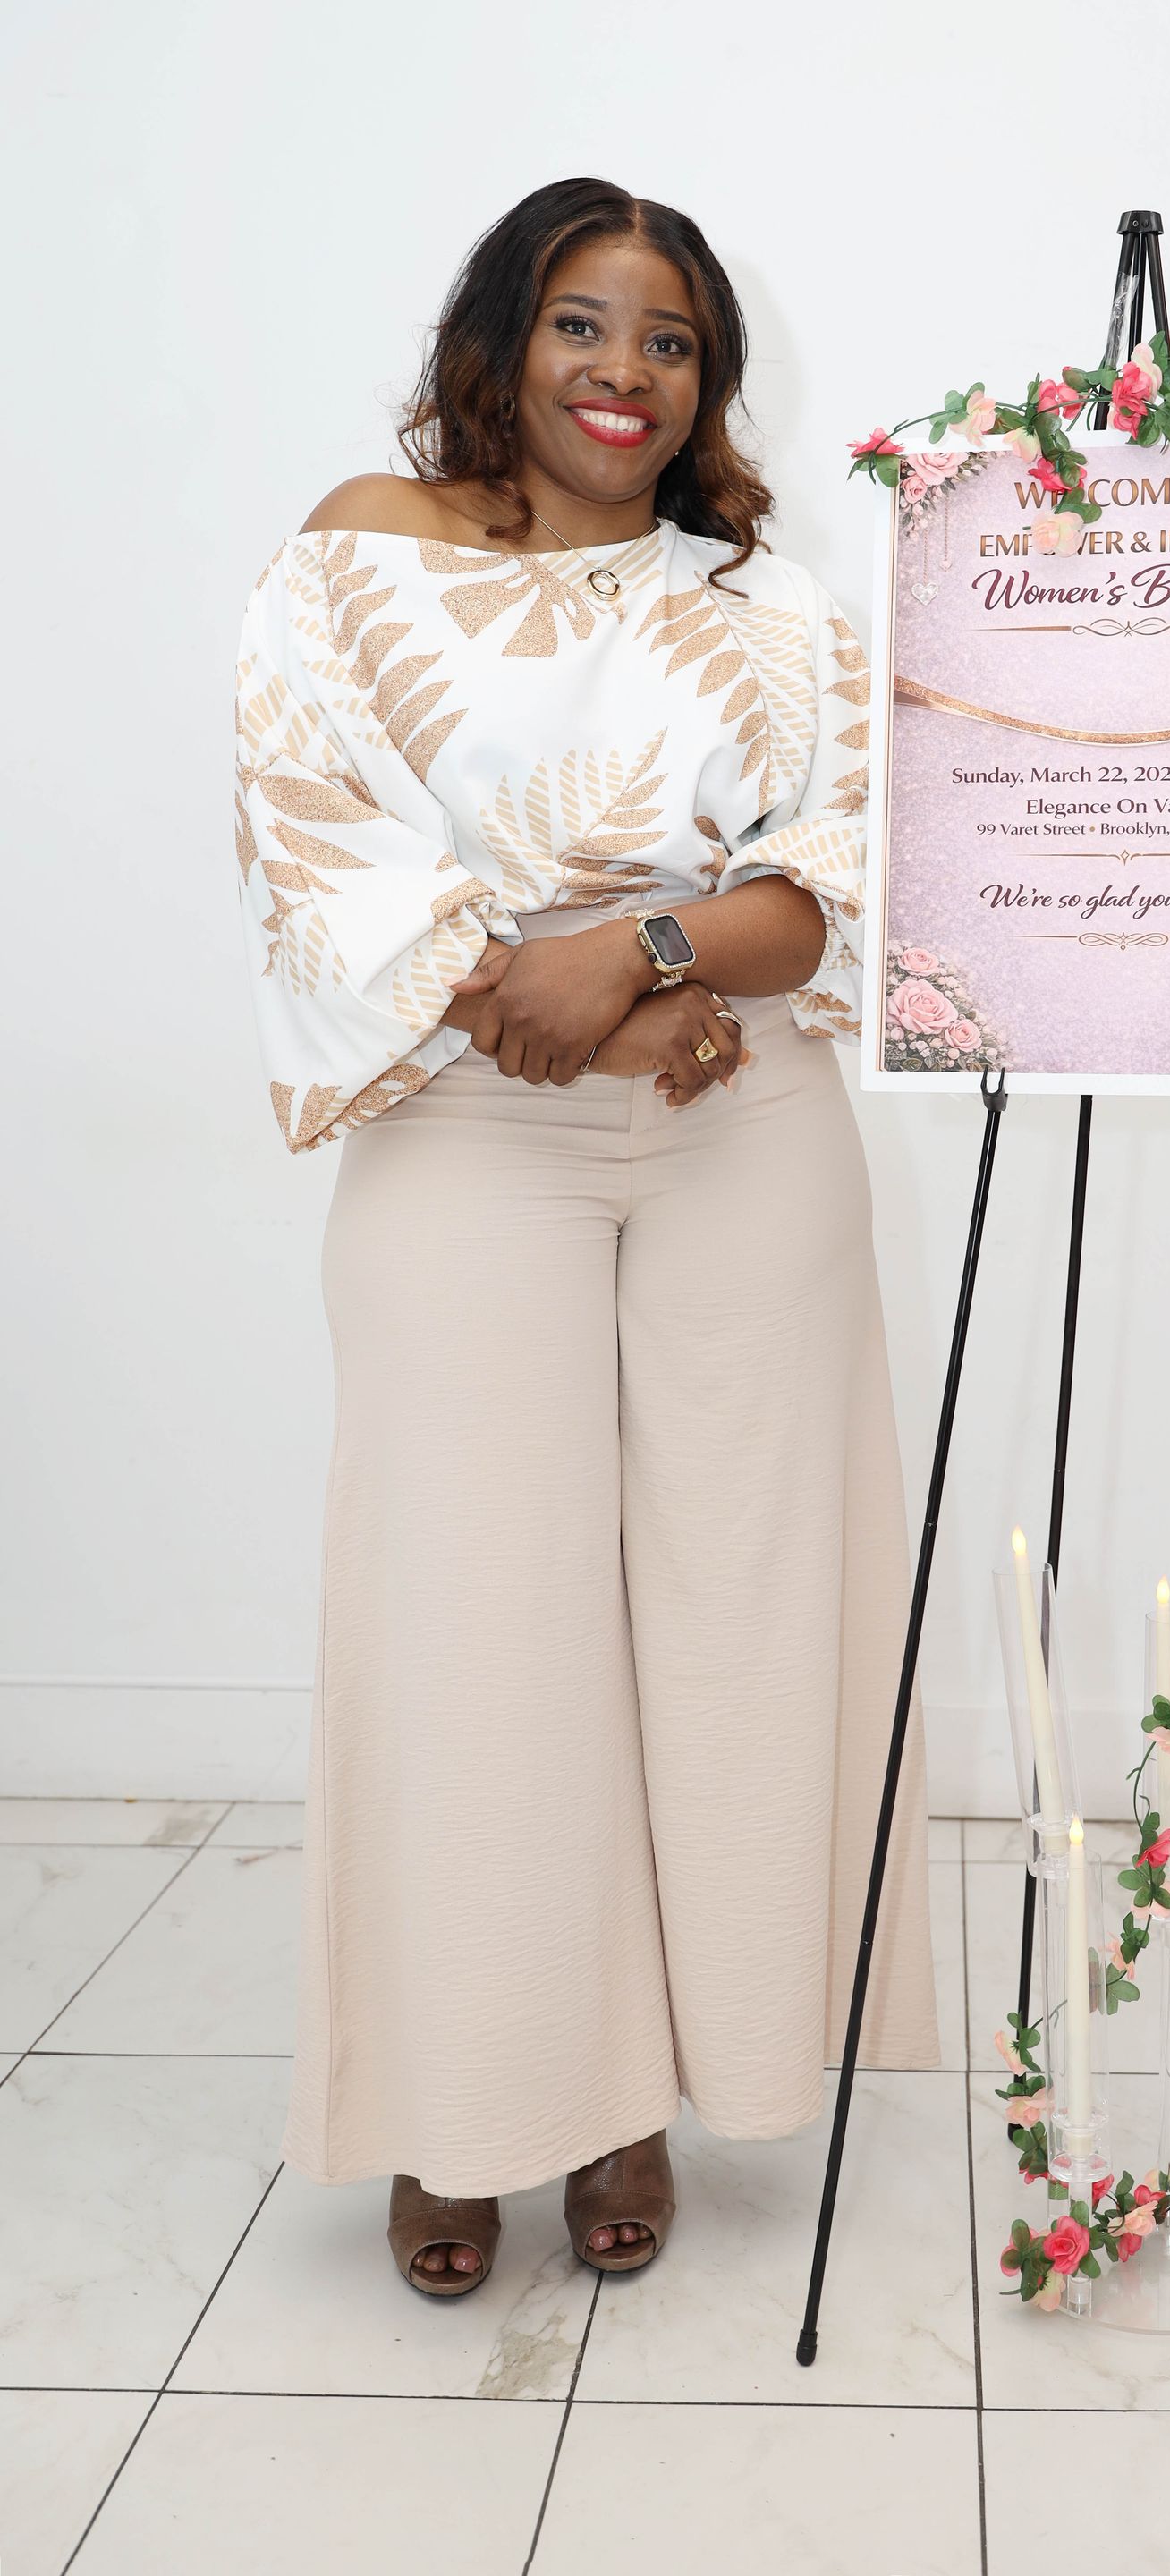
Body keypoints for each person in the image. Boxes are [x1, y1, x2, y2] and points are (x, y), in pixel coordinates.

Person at [233, 176, 939, 2298]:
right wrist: (614, 990)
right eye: (581, 324)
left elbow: (832, 877)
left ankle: (635, 2089)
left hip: (745, 1126)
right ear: (500, 343)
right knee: (476, 1623)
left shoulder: (769, 602)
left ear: (706, 379)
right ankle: (463, 2104)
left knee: (726, 1622)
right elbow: (319, 836)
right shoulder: (365, 550)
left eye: (668, 340)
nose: (624, 373)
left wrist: (648, 964)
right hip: (473, 1126)